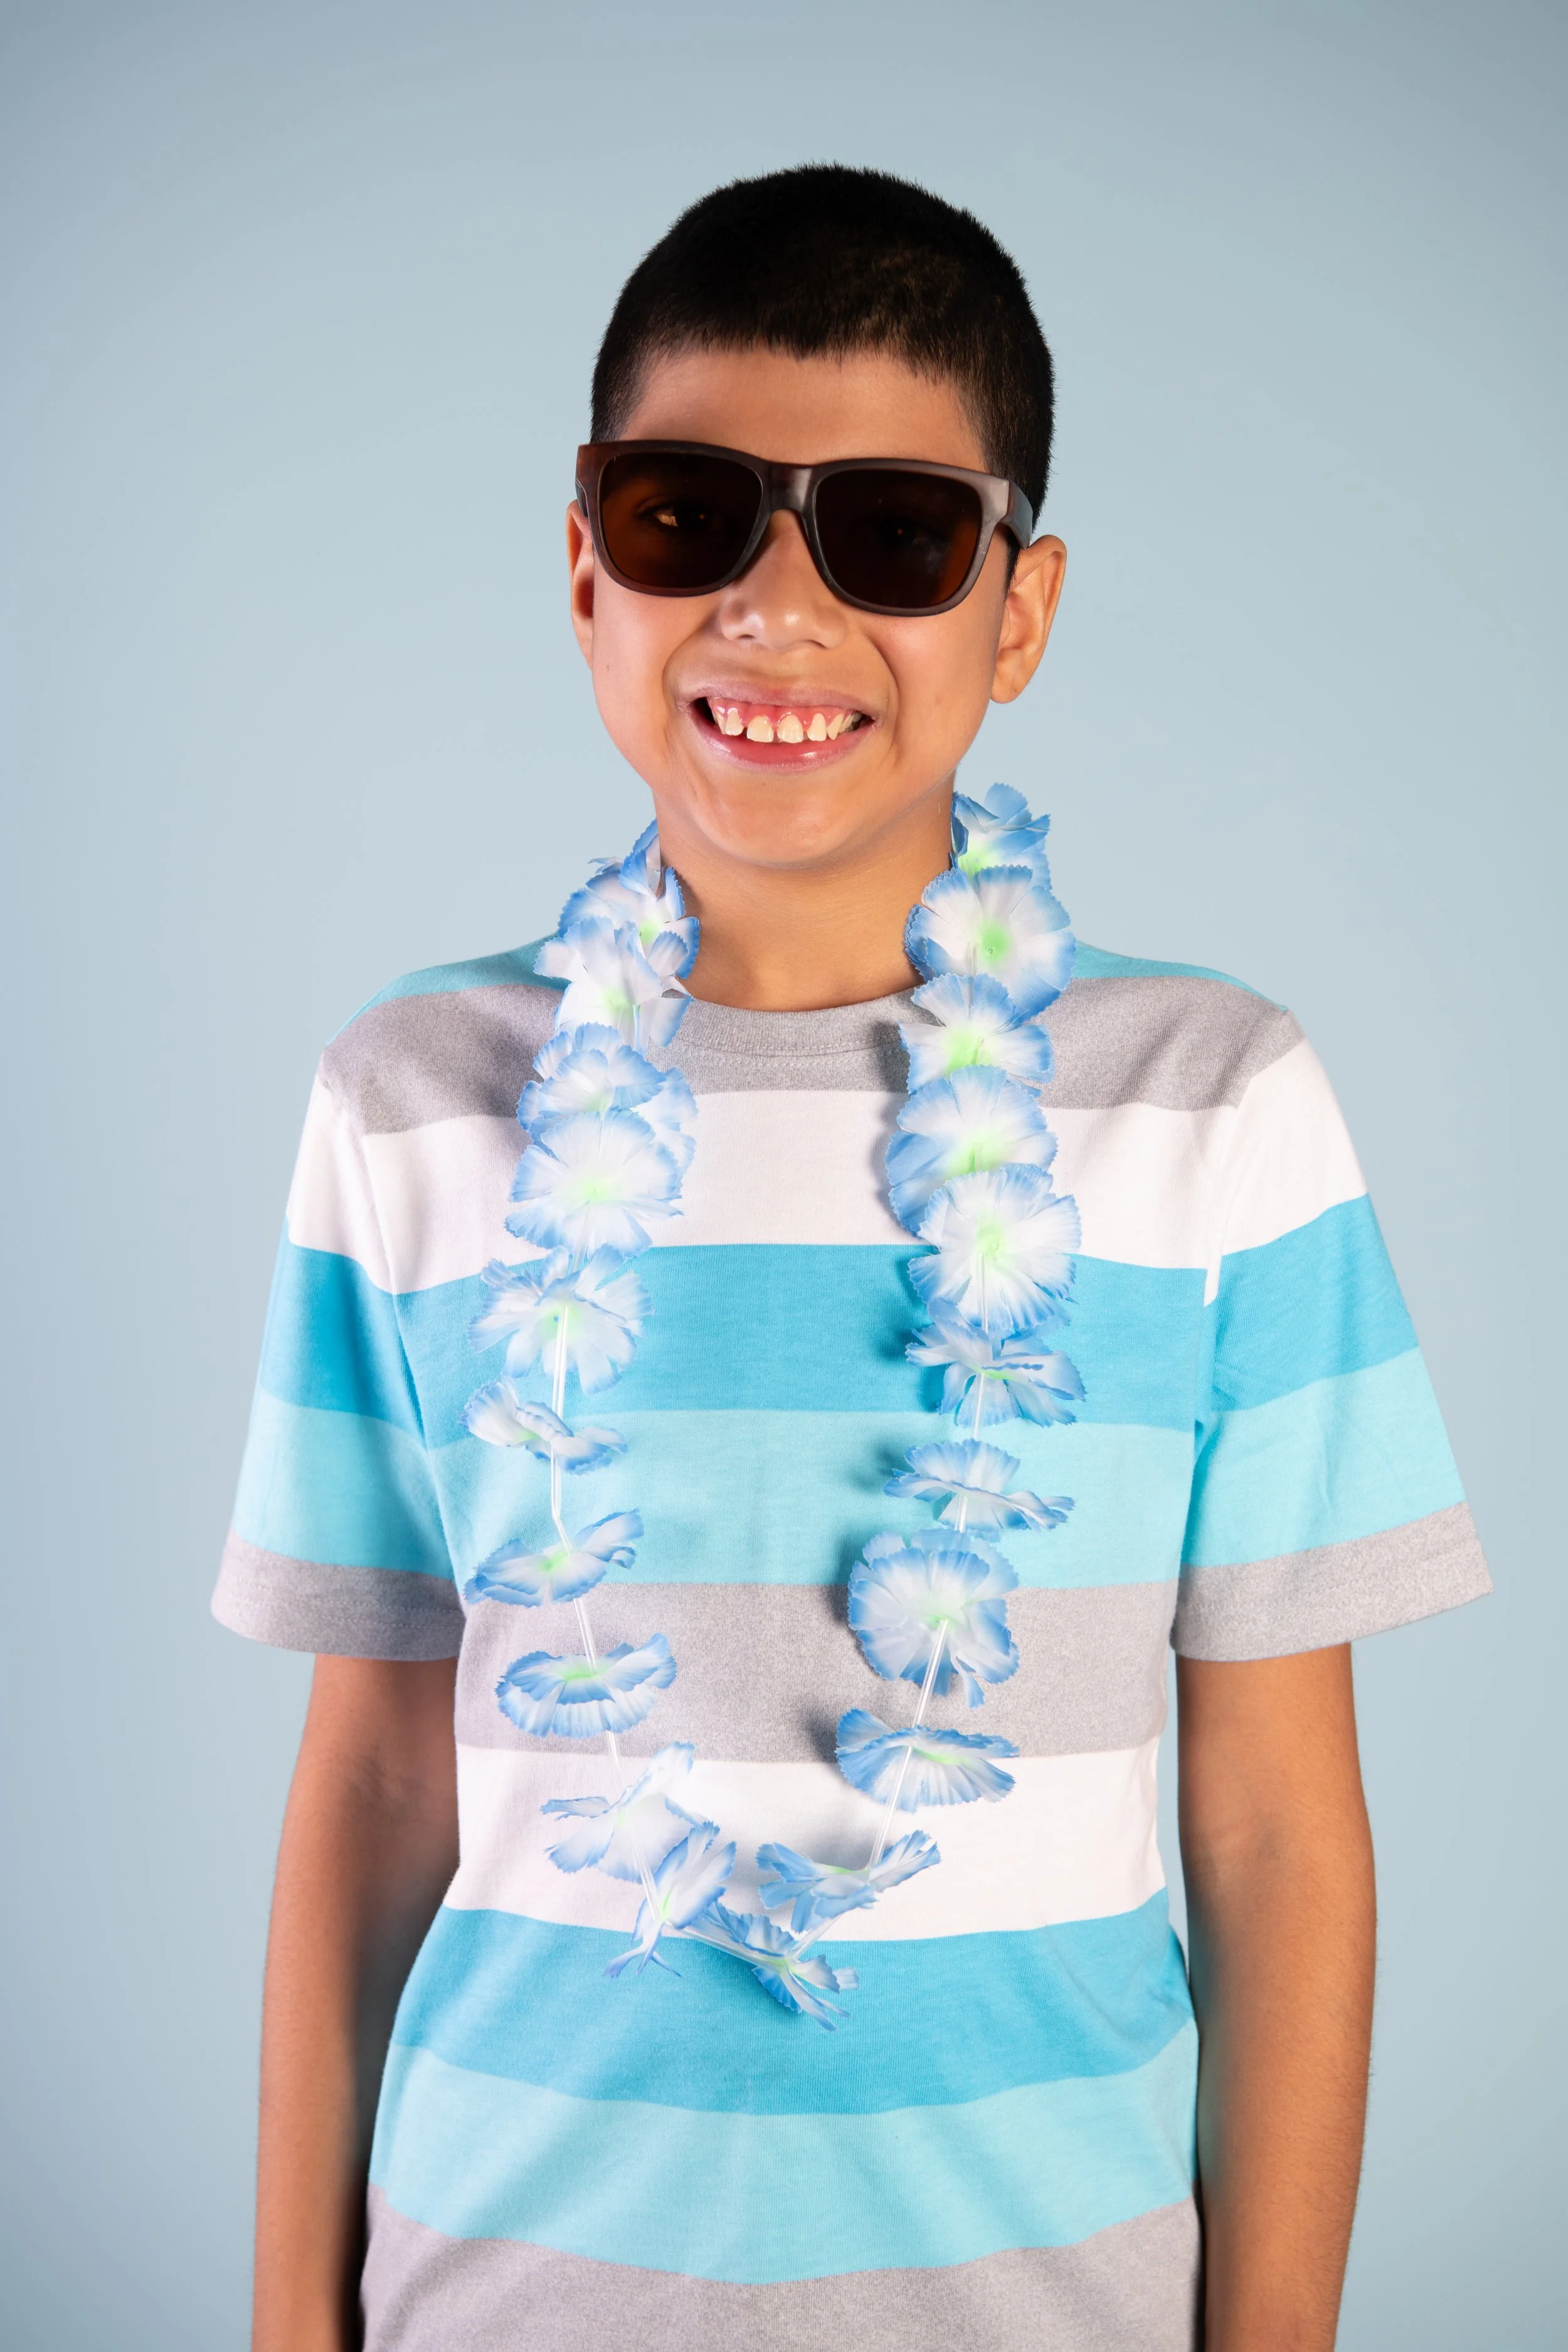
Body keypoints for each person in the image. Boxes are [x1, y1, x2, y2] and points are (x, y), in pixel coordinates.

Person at [216, 165, 1491, 2352]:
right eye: (687, 517)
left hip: (1046, 2296)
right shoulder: (415, 1097)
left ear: (1017, 607)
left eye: (890, 533)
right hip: (499, 2285)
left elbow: (1278, 1829)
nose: (775, 610)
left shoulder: (1210, 1104)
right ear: (587, 569)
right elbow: (378, 1779)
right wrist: (282, 2321)